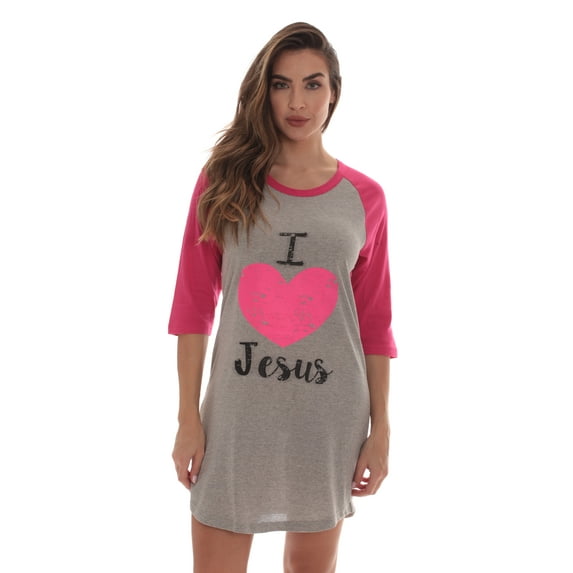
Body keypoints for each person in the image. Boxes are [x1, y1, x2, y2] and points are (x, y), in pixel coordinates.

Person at [168, 22, 397, 573]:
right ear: (263, 92)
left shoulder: (364, 197)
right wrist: (187, 417)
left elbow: (374, 323)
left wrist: (382, 428)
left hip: (329, 417)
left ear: (334, 93)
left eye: (313, 84)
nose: (297, 102)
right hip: (236, 415)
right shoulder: (225, 180)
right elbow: (193, 306)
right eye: (281, 84)